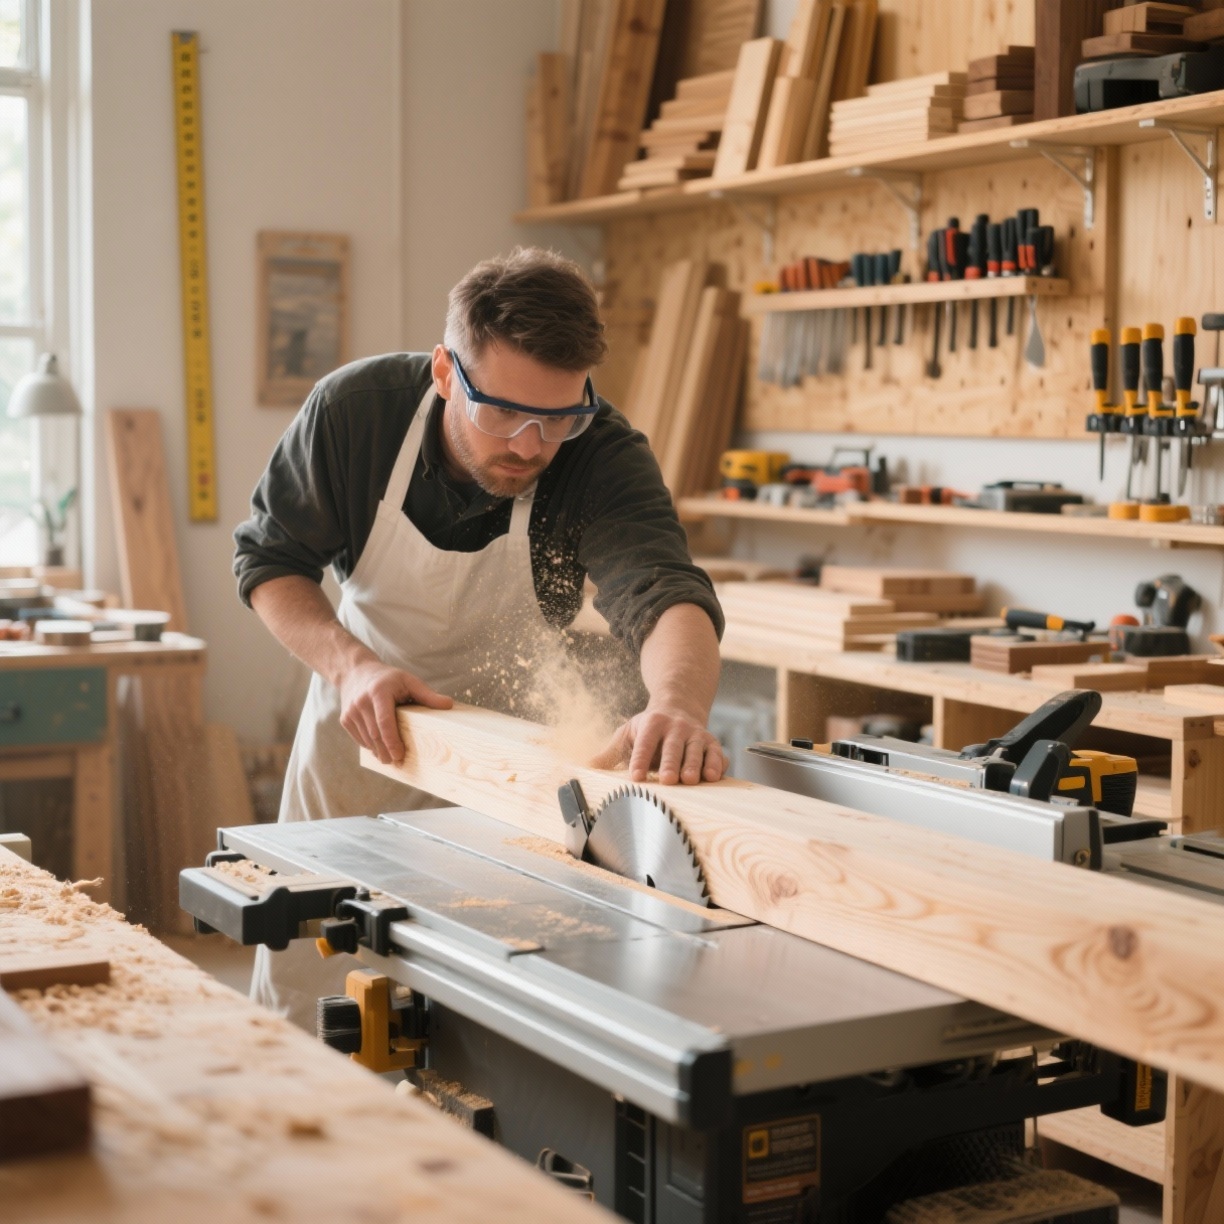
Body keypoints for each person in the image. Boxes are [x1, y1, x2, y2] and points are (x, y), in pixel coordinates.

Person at [233, 247, 727, 1028]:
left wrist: (677, 703)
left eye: (557, 418)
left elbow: (665, 593)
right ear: (442, 371)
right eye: (503, 414)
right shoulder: (354, 413)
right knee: (312, 992)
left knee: (480, 1010)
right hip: (363, 727)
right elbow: (269, 562)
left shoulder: (598, 454)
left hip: (507, 766)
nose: (530, 447)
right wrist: (351, 666)